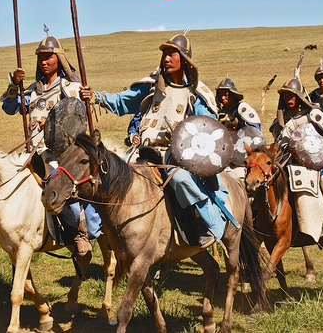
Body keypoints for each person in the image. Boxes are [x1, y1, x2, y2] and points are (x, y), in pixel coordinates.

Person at [80, 33, 227, 248]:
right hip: (141, 151)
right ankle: (110, 232)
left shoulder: (196, 93)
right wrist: (98, 97)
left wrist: (186, 133)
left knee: (180, 180)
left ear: (184, 60)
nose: (166, 58)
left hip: (175, 155)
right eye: (164, 54)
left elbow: (208, 127)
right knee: (107, 174)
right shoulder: (150, 85)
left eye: (172, 54)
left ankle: (201, 222)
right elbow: (123, 100)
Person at [0, 35, 100, 255]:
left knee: (60, 185)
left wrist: (53, 123)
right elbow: (8, 108)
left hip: (60, 154)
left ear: (59, 59)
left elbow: (78, 120)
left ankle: (79, 230)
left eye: (48, 57)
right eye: (41, 58)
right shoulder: (33, 91)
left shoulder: (69, 87)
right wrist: (14, 85)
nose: (44, 62)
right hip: (33, 152)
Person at [270, 77, 323, 244]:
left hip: (308, 165)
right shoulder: (281, 121)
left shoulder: (312, 115)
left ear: (299, 97)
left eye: (291, 96)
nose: (288, 99)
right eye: (285, 96)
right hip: (284, 163)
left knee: (306, 194)